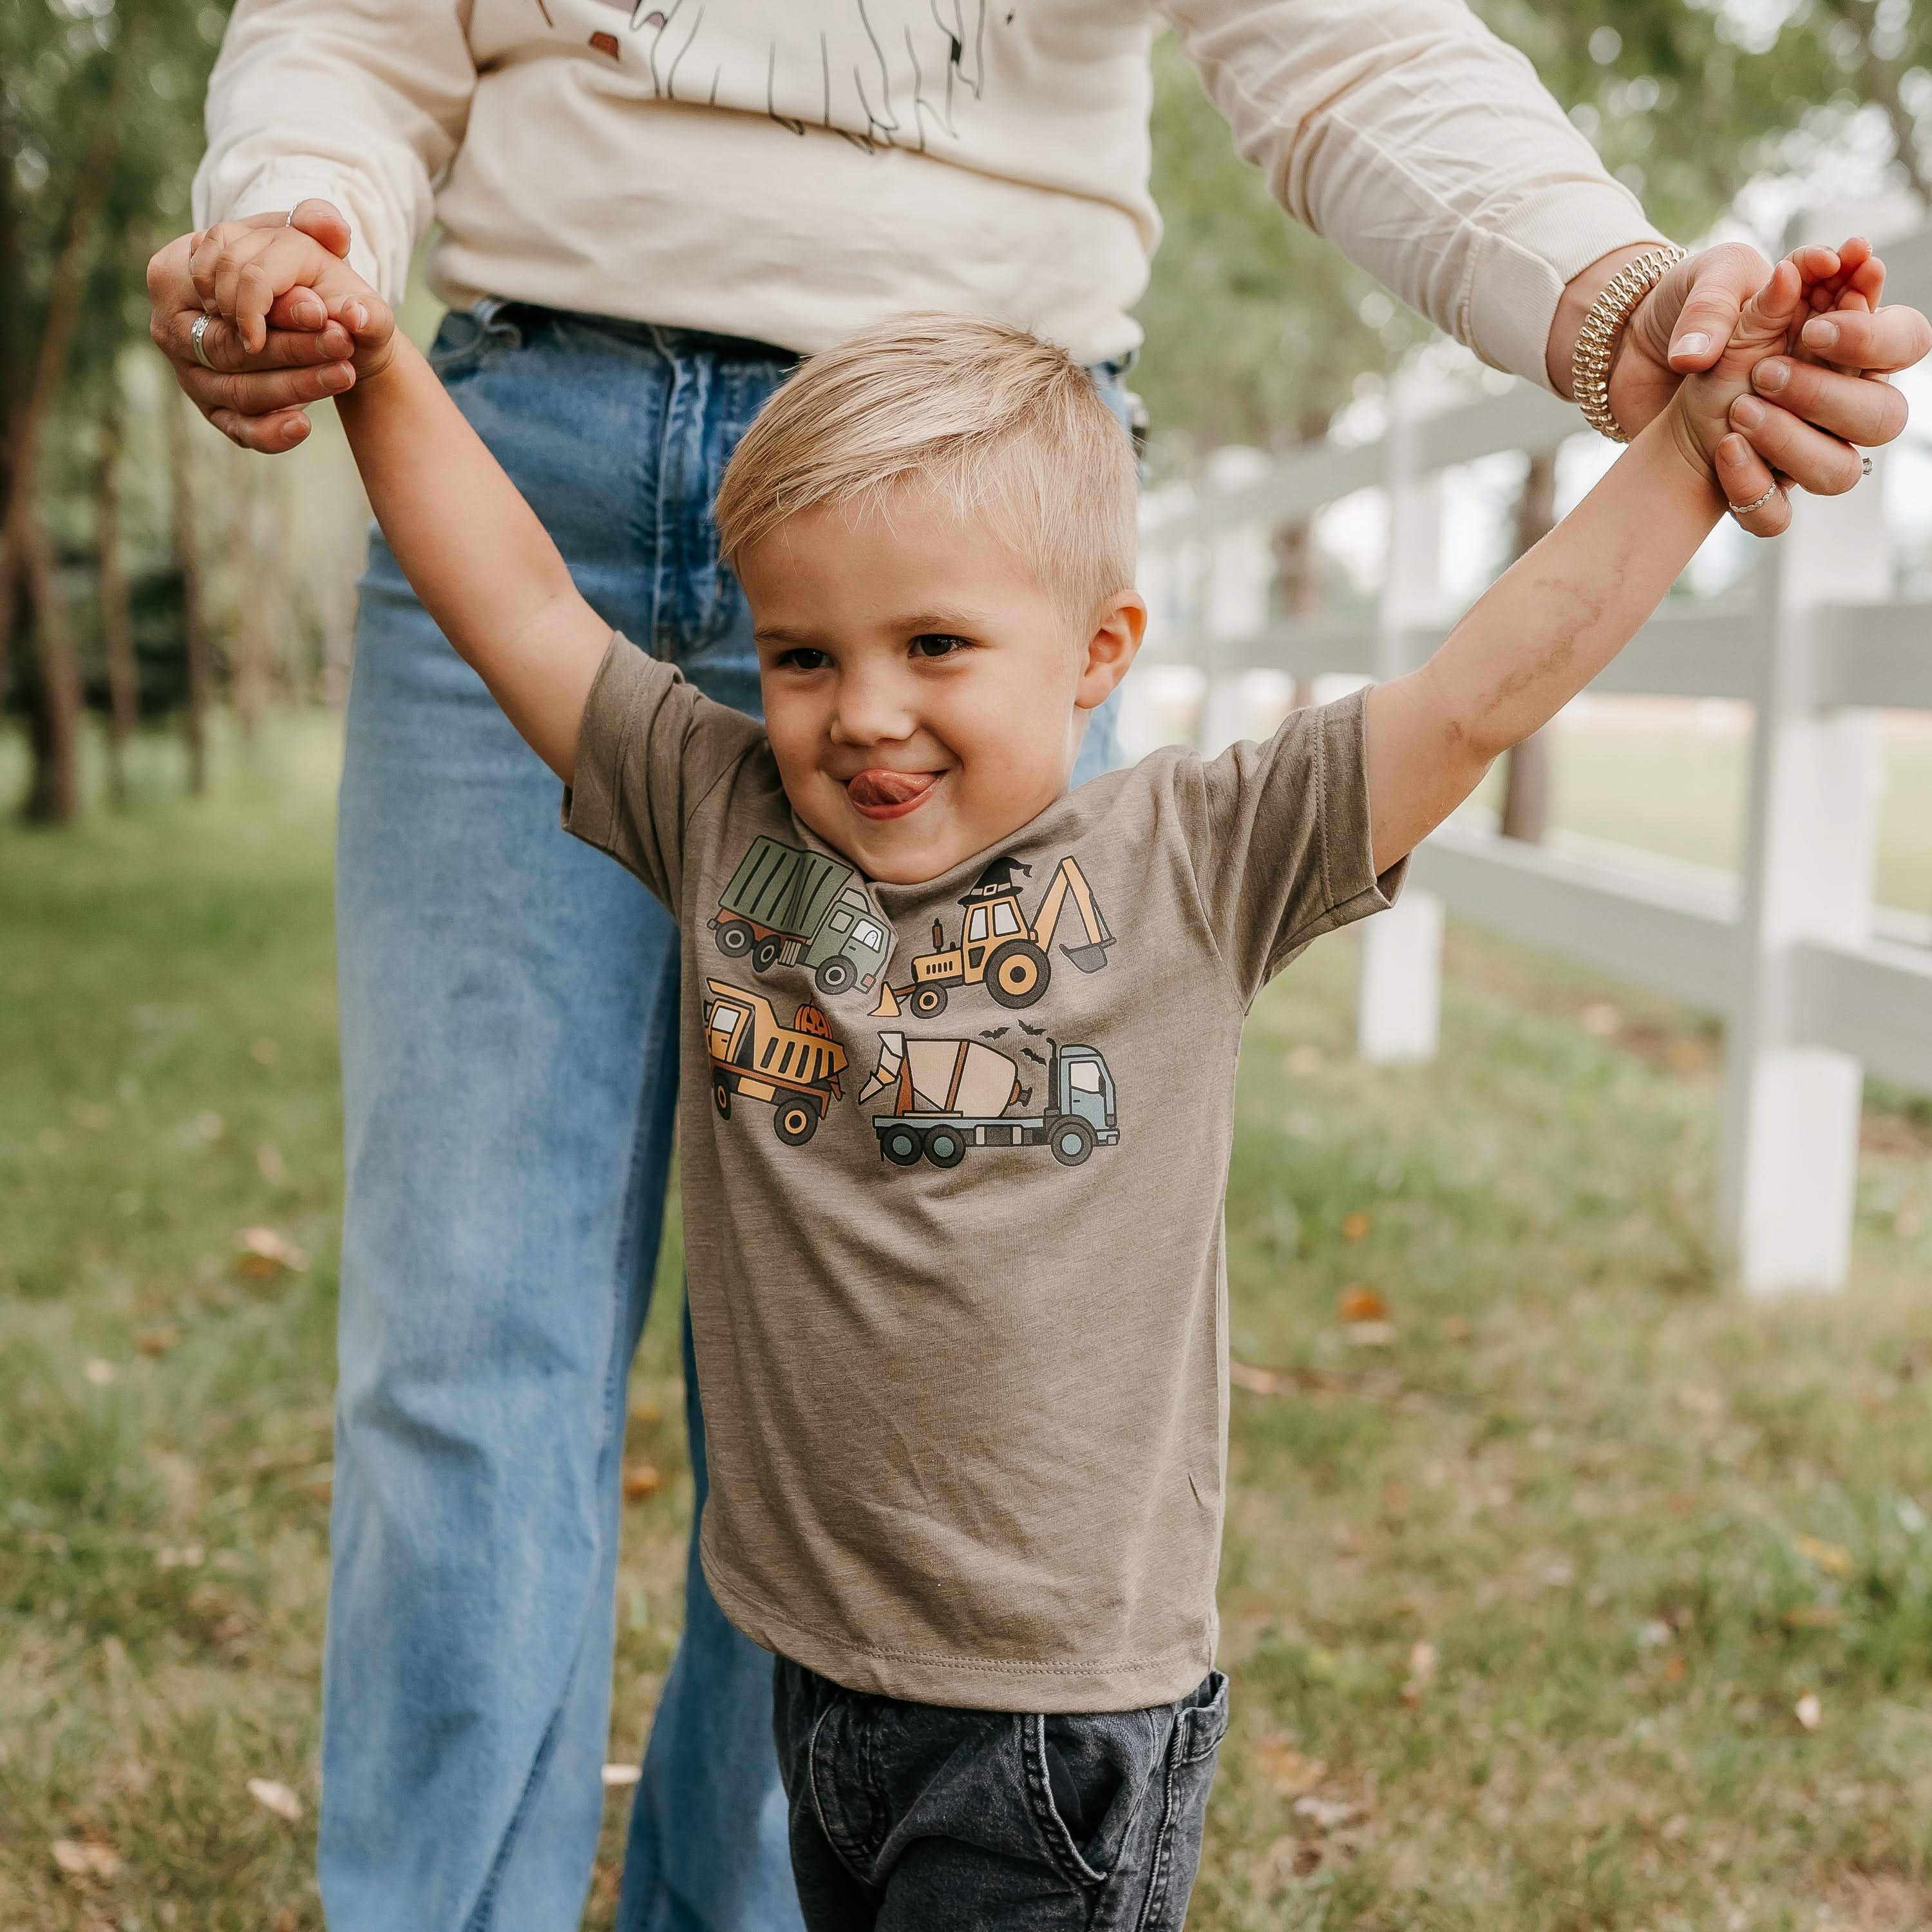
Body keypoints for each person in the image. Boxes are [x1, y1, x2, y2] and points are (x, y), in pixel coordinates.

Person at [145, 8, 1930, 1929]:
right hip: (821, 1683)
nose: (859, 718)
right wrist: (365, 335)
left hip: (1058, 1735)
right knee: (469, 1355)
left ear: (1101, 654)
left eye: (935, 650)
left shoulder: (1199, 859)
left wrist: (1684, 426)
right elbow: (505, 590)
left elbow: (1489, 679)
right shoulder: (721, 812)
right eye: (807, 658)